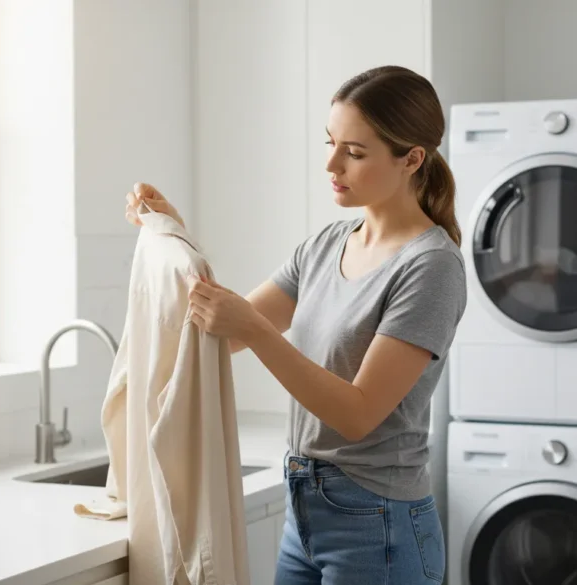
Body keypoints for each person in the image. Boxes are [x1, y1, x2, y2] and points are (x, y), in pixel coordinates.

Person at [124, 65, 467, 584]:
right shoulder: (327, 244)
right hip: (303, 511)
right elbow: (227, 331)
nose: (331, 163)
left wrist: (261, 332)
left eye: (354, 152)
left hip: (379, 529)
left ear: (412, 159)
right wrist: (174, 238)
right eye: (330, 143)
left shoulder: (431, 267)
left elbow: (357, 414)